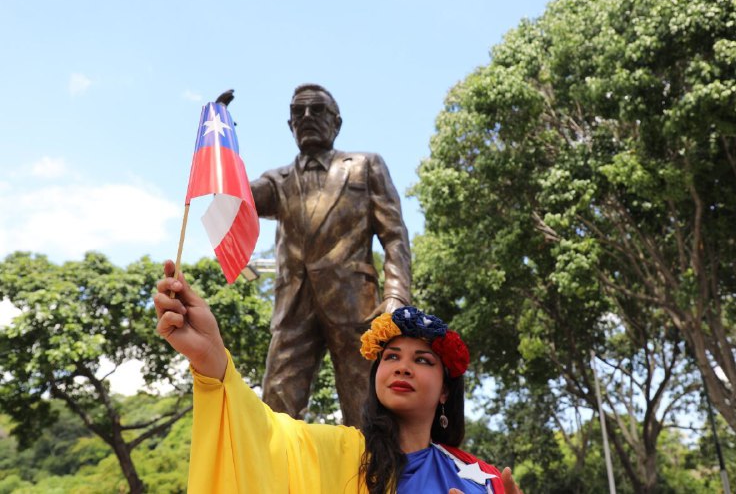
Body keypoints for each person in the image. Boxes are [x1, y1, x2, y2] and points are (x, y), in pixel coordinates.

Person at [154, 260, 523, 493]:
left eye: (423, 360)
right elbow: (258, 437)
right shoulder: (336, 455)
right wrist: (211, 356)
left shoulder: (482, 481)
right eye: (391, 356)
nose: (402, 366)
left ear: (445, 391)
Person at [249, 84, 412, 427]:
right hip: (293, 306)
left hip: (354, 304)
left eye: (317, 110)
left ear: (337, 123)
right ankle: (275, 477)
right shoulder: (276, 181)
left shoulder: (365, 166)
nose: (306, 117)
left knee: (365, 404)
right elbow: (238, 197)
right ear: (290, 124)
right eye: (298, 112)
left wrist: (396, 295)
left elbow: (394, 236)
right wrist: (218, 146)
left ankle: (377, 477)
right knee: (277, 403)